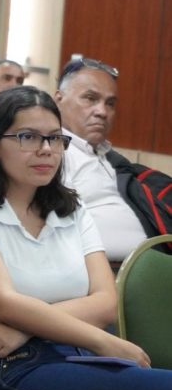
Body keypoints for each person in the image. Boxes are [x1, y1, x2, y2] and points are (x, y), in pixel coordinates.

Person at [0, 86, 172, 390]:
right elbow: (3, 303)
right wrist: (105, 340)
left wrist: (25, 326)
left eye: (55, 138)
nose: (46, 149)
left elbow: (105, 302)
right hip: (14, 371)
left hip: (81, 357)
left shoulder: (72, 210)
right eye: (28, 137)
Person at [54, 58, 151, 262]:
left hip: (145, 262)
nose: (102, 112)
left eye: (110, 103)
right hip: (98, 271)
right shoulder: (51, 153)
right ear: (58, 100)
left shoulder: (109, 158)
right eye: (90, 98)